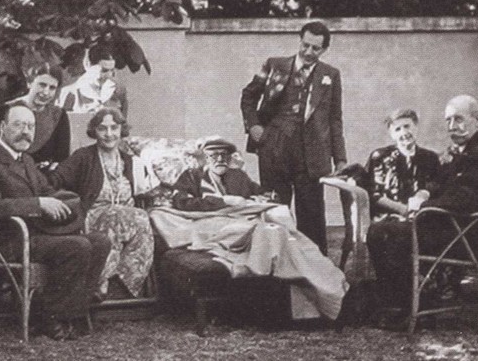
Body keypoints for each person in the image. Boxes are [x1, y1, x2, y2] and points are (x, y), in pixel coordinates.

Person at [150, 138, 349, 320]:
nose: (220, 159)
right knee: (272, 234)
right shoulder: (192, 176)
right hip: (214, 224)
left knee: (284, 236)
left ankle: (326, 287)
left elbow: (262, 193)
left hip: (244, 222)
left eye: (224, 155)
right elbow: (182, 203)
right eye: (214, 155)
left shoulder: (238, 176)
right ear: (204, 158)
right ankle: (327, 291)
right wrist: (224, 201)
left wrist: (265, 197)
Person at [0, 104, 111, 341]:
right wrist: (38, 204)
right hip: (7, 241)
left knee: (100, 241)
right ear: (2, 127)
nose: (26, 132)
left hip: (37, 235)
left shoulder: (26, 160)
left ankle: (73, 313)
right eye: (19, 125)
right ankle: (51, 317)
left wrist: (66, 202)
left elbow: (47, 190)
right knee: (77, 246)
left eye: (31, 126)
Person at [367, 95, 478, 313]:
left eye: (458, 119)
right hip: (455, 225)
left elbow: (466, 198)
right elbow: (443, 181)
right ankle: (399, 299)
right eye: (448, 120)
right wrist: (425, 192)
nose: (451, 126)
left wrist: (422, 209)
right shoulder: (466, 147)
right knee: (383, 230)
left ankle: (405, 304)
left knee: (384, 233)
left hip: (469, 235)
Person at [240, 21, 347, 254]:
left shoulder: (331, 75)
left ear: (324, 50)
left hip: (311, 155)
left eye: (315, 48)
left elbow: (334, 118)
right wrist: (254, 126)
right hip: (274, 148)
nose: (308, 52)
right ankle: (274, 266)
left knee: (312, 216)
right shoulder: (274, 65)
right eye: (305, 45)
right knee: (275, 211)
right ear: (300, 41)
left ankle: (314, 269)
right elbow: (248, 96)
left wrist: (340, 158)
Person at [49, 107, 153, 298]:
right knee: (123, 216)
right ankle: (101, 282)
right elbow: (55, 179)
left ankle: (121, 285)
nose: (109, 134)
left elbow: (143, 192)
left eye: (114, 128)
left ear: (121, 129)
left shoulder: (130, 162)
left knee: (141, 219)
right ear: (94, 131)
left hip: (128, 220)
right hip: (94, 217)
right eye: (102, 128)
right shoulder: (83, 157)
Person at [346, 109, 440, 221]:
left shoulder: (430, 158)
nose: (404, 133)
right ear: (392, 135)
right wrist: (402, 209)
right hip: (387, 217)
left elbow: (436, 187)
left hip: (421, 216)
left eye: (407, 126)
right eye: (397, 129)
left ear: (416, 127)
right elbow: (373, 193)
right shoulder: (380, 157)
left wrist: (422, 197)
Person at [0, 64, 70, 171]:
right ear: (30, 83)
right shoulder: (8, 109)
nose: (46, 92)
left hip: (46, 175)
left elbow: (62, 158)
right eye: (42, 85)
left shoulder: (59, 115)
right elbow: (0, 150)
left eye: (52, 88)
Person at [57, 54, 128, 117]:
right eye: (104, 70)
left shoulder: (117, 91)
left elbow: (122, 122)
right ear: (88, 66)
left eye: (112, 70)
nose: (109, 75)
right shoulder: (68, 94)